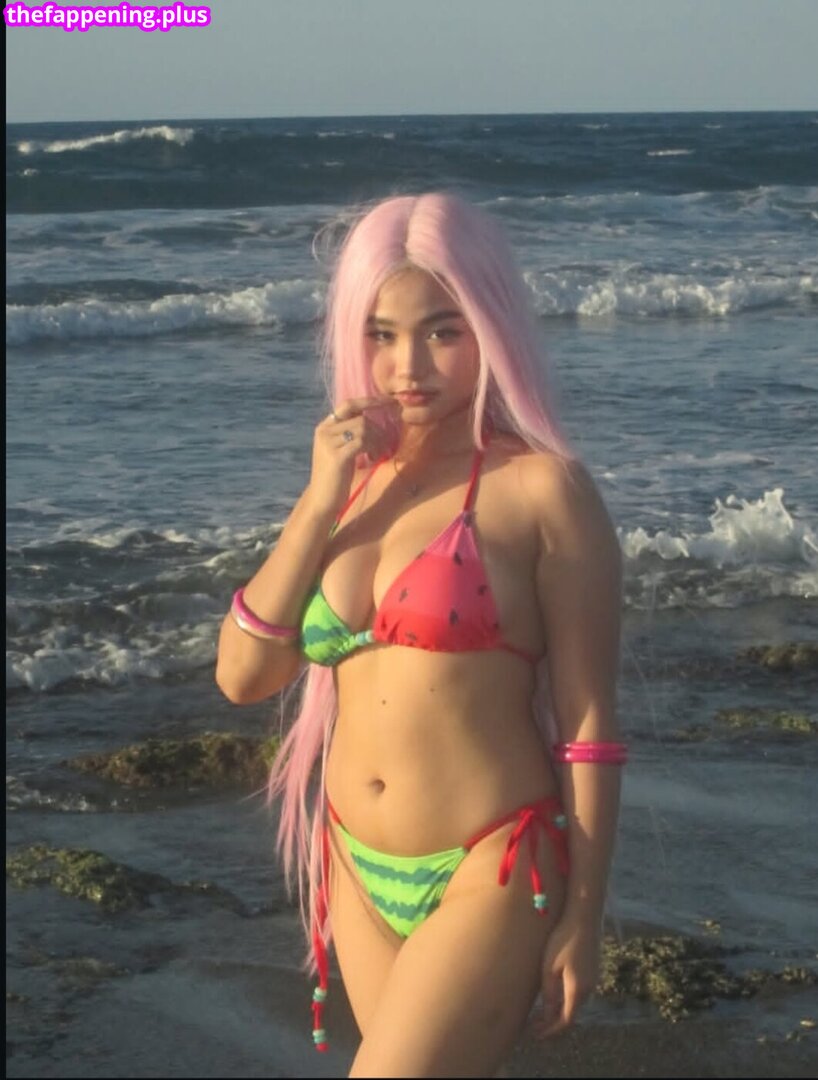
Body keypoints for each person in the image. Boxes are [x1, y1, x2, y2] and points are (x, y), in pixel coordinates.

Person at [215, 192, 624, 1079]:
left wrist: (584, 915)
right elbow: (245, 675)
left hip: (493, 863)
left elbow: (588, 722)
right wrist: (318, 499)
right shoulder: (348, 485)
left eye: (443, 331)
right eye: (382, 334)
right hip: (355, 865)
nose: (408, 367)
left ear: (491, 325)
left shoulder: (543, 490)